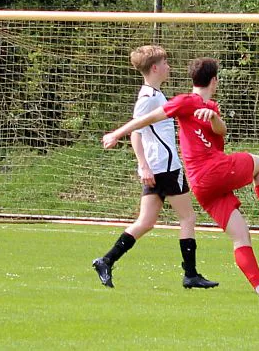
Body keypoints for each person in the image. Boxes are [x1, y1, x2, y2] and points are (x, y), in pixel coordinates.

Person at [102, 55, 259, 302]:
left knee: (241, 234)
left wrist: (214, 117)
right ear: (214, 80)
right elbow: (146, 119)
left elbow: (222, 131)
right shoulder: (185, 101)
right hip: (212, 171)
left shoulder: (211, 107)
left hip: (202, 186)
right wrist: (117, 133)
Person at [92, 45, 218, 290]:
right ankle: (190, 274)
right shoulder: (148, 98)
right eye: (165, 63)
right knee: (188, 217)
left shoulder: (155, 94)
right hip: (165, 167)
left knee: (146, 222)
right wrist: (143, 166)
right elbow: (136, 131)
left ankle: (106, 260)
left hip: (158, 167)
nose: (169, 67)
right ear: (154, 68)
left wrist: (146, 166)